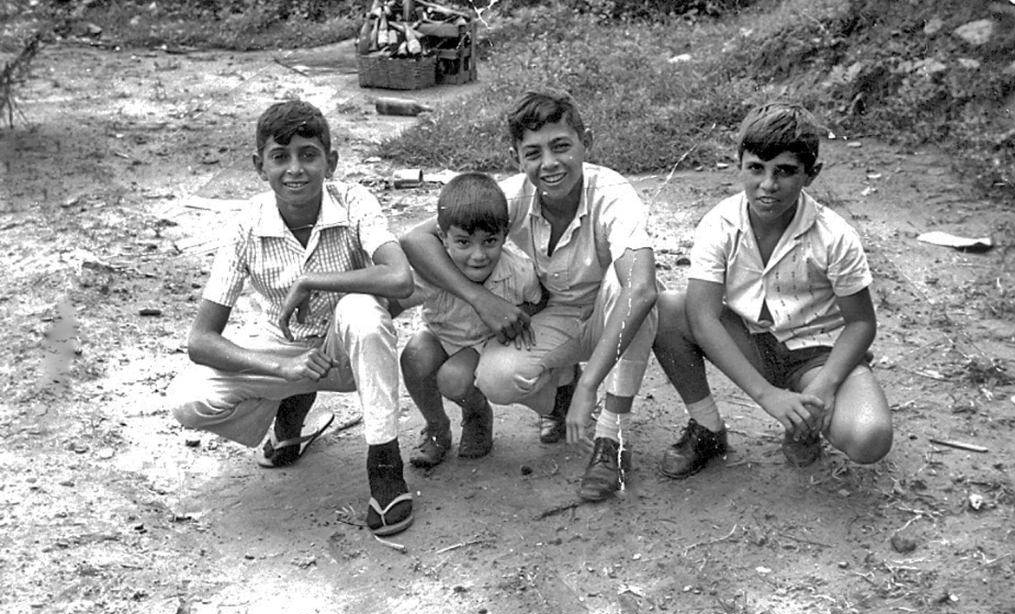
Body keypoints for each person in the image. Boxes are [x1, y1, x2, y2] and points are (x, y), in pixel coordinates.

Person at [168, 100, 416, 537]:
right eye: (280, 157)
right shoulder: (246, 224)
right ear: (259, 166)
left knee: (360, 309)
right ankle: (290, 407)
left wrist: (316, 281)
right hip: (287, 350)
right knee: (188, 400)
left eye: (308, 154)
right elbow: (200, 340)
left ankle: (385, 466)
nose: (295, 169)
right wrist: (281, 368)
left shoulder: (354, 200)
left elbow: (399, 278)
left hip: (350, 351)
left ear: (331, 162)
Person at [400, 89, 660, 502]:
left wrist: (592, 385)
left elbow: (641, 289)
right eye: (533, 153)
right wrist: (479, 299)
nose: (550, 164)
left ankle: (611, 441)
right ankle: (562, 396)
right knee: (496, 377)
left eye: (561, 147)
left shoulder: (611, 193)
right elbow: (416, 239)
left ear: (585, 142)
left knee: (635, 291)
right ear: (516, 157)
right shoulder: (515, 195)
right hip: (556, 314)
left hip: (612, 317)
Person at [653, 102, 893, 478]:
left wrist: (828, 386)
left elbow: (861, 322)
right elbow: (701, 317)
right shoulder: (720, 224)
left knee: (870, 437)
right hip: (751, 342)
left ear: (811, 174)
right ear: (739, 166)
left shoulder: (834, 235)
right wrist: (768, 396)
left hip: (816, 356)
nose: (768, 185)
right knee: (668, 308)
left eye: (784, 171)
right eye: (756, 169)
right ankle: (707, 429)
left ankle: (808, 421)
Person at [391, 172, 544, 467]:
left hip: (480, 342)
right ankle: (436, 426)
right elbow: (394, 302)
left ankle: (476, 414)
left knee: (453, 379)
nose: (478, 255)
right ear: (442, 236)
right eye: (463, 242)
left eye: (490, 241)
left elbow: (539, 301)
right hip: (440, 333)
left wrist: (515, 324)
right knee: (414, 357)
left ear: (505, 233)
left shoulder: (519, 272)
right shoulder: (433, 270)